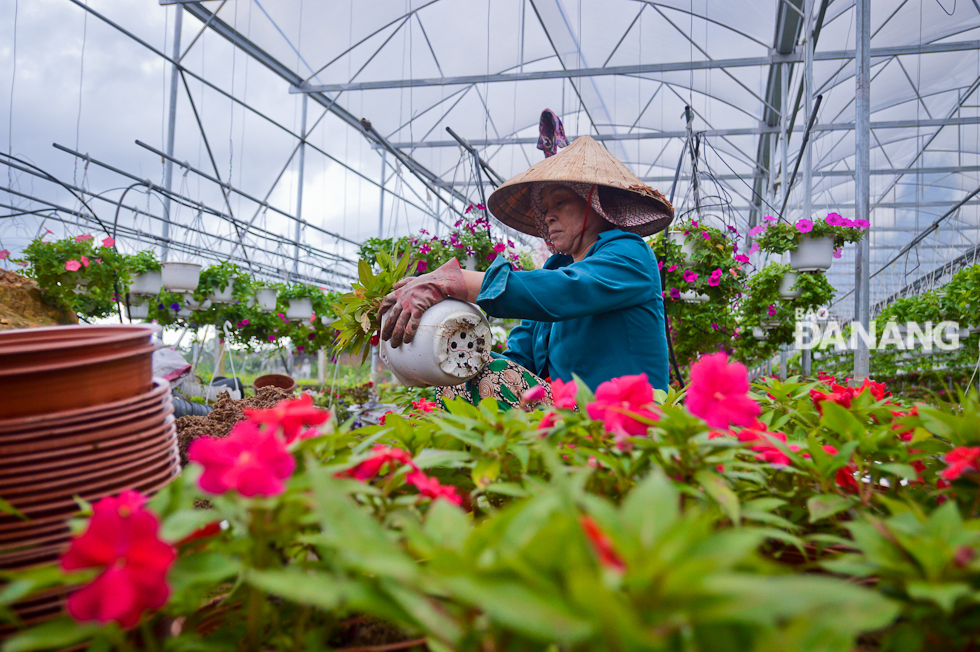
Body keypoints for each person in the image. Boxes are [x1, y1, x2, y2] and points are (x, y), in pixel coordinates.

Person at [379, 135, 673, 409]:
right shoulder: (556, 269)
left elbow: (566, 291)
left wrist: (452, 281)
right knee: (463, 377)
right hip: (566, 415)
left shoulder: (629, 255)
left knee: (487, 379)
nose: (548, 216)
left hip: (623, 417)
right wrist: (444, 352)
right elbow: (519, 360)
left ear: (594, 203)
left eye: (560, 202)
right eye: (544, 208)